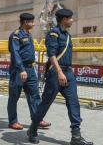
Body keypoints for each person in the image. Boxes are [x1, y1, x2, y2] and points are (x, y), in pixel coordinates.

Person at [27, 9, 93, 145]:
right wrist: (59, 72)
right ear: (64, 19)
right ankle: (33, 128)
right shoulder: (53, 34)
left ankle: (76, 136)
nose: (72, 20)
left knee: (73, 102)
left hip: (68, 72)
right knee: (46, 103)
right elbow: (51, 54)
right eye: (70, 18)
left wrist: (66, 72)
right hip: (56, 73)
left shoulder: (67, 35)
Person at [7, 13, 51, 130]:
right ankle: (13, 121)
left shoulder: (28, 35)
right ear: (26, 22)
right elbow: (15, 54)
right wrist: (21, 69)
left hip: (31, 69)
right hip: (19, 70)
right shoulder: (16, 35)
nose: (34, 23)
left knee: (34, 95)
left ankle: (37, 119)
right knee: (14, 96)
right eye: (32, 21)